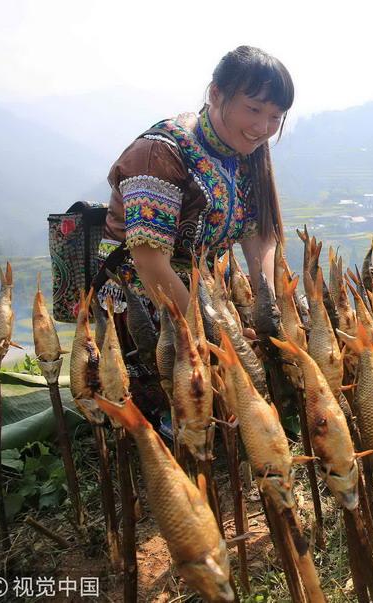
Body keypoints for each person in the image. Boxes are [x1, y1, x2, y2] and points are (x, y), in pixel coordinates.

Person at [95, 45, 294, 421]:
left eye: (275, 116)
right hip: (147, 303)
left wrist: (265, 307)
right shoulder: (158, 153)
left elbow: (259, 237)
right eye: (253, 109)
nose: (263, 128)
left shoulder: (243, 151)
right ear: (216, 94)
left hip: (206, 296)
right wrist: (213, 333)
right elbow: (150, 263)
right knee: (188, 417)